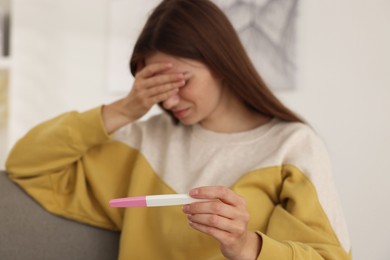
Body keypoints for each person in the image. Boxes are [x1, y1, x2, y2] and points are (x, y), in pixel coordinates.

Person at [6, 0, 351, 259]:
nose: (169, 100)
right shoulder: (143, 142)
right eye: (155, 85)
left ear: (219, 63)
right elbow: (26, 163)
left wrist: (246, 244)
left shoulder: (292, 148)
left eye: (181, 80)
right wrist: (126, 109)